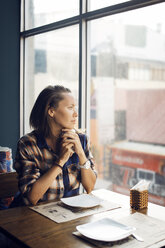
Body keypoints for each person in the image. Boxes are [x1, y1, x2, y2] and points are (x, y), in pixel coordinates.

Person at [13, 85, 97, 206]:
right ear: (51, 111)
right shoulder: (28, 144)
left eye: (75, 108)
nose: (76, 114)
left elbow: (89, 187)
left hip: (67, 215)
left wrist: (80, 153)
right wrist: (60, 161)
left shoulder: (81, 139)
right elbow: (32, 198)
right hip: (33, 216)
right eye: (70, 108)